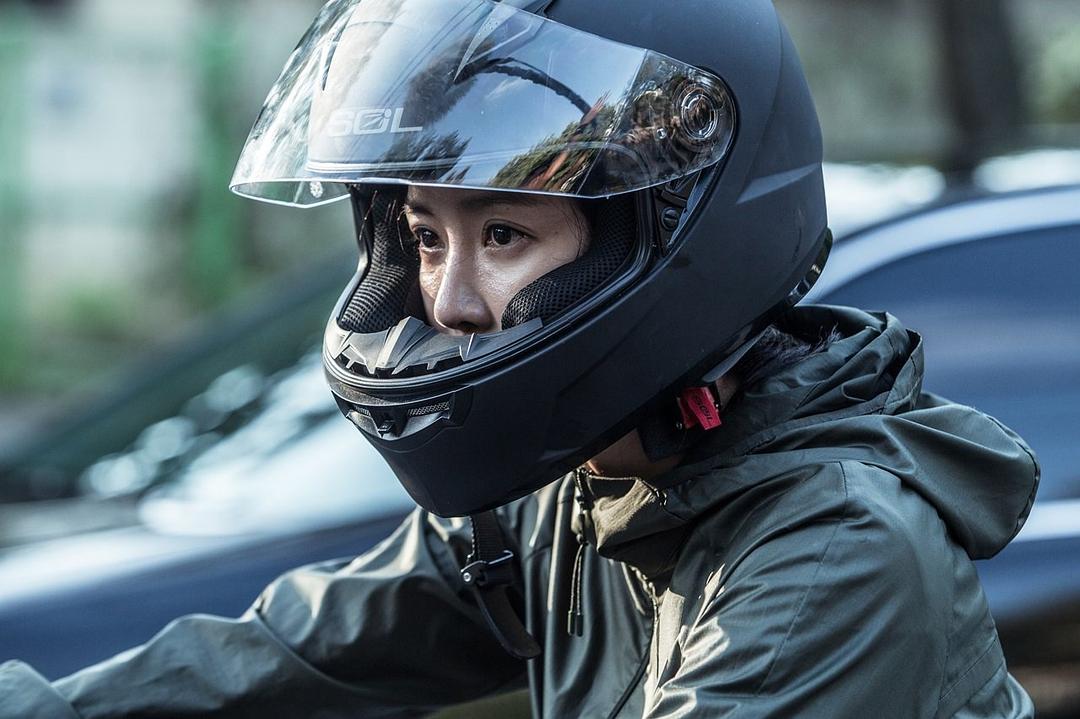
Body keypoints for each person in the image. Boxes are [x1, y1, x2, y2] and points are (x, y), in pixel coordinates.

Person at [0, 0, 1039, 716]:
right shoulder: (582, 487)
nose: (449, 304)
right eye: (424, 237)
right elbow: (293, 652)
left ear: (673, 237)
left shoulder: (836, 549)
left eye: (502, 235)